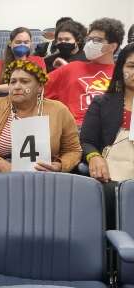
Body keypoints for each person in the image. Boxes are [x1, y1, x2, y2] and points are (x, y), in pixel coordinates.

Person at [0, 60, 82, 174]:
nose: (17, 86)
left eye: (24, 81)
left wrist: (60, 165)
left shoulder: (59, 110)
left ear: (40, 87)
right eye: (12, 82)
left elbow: (73, 150)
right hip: (3, 174)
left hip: (46, 174)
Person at [80, 43, 134, 229]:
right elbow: (87, 141)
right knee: (109, 193)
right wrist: (94, 157)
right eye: (131, 66)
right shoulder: (102, 102)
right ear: (120, 69)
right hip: (114, 175)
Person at [45, 18, 125, 126]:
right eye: (89, 39)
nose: (91, 44)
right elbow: (35, 88)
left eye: (97, 40)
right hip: (77, 130)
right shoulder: (70, 69)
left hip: (113, 131)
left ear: (112, 46)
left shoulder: (123, 74)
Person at [0, 27, 46, 103]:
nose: (22, 45)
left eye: (26, 42)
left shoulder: (38, 61)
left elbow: (38, 86)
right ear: (10, 43)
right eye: (18, 42)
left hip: (32, 105)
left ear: (30, 44)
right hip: (4, 104)